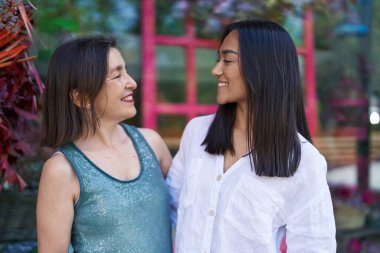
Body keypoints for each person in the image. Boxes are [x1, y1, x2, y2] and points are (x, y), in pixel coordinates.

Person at [167, 20, 336, 253]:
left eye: (227, 60)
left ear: (262, 67)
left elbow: (315, 247)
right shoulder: (196, 132)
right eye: (219, 60)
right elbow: (167, 208)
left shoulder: (304, 161)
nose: (216, 70)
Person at [37, 35, 173, 253]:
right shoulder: (61, 170)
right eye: (117, 75)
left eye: (126, 71)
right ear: (81, 97)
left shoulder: (152, 143)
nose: (132, 83)